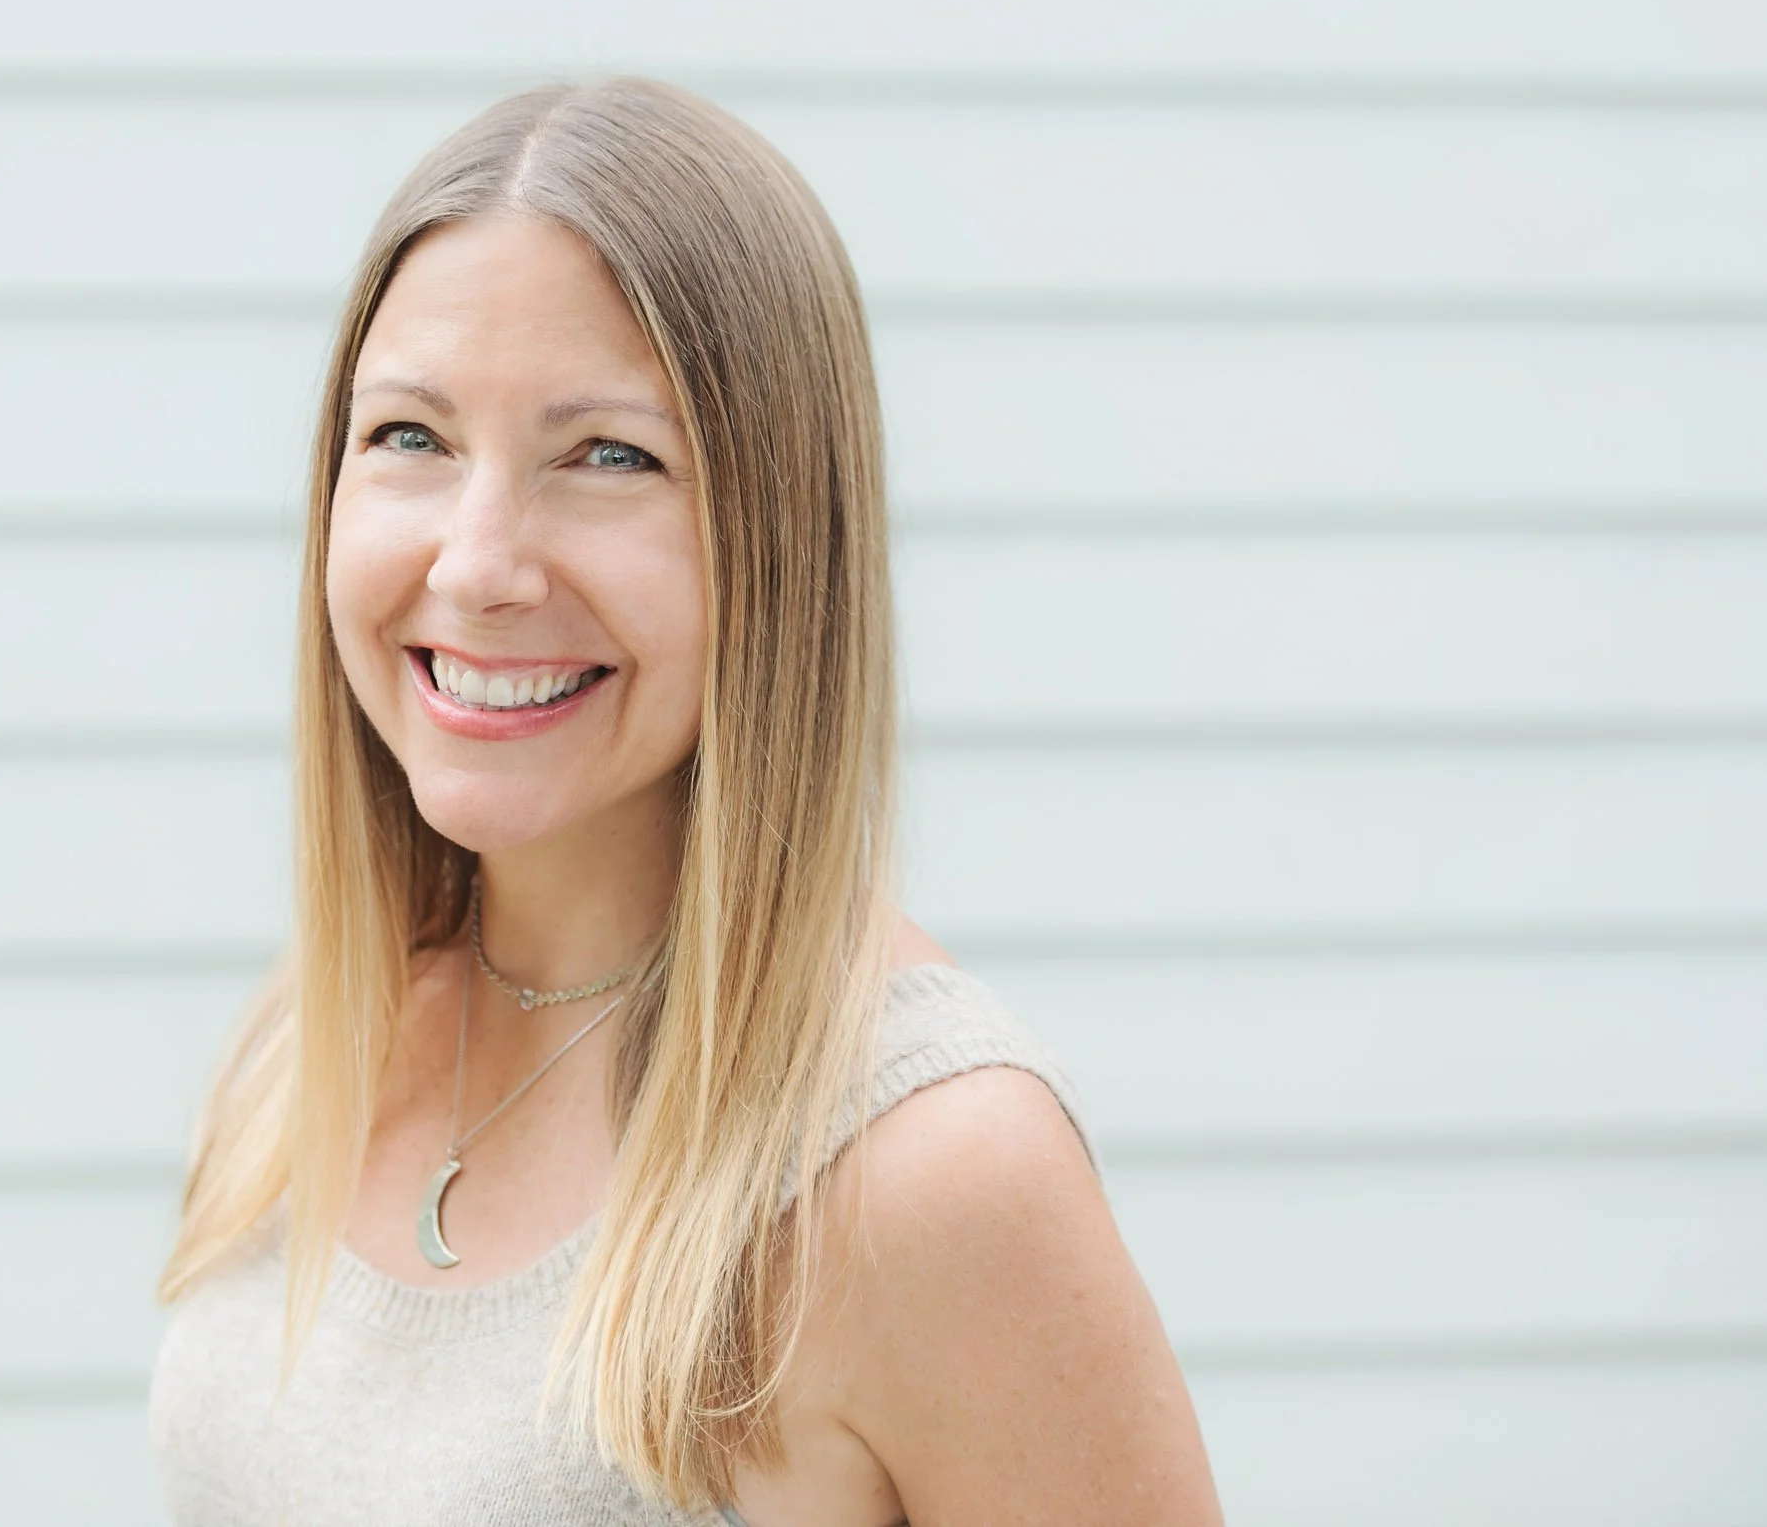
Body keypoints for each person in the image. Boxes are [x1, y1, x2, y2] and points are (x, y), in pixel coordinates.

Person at [147, 77, 1222, 1525]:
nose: (477, 565)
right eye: (411, 436)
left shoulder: (926, 1169)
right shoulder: (314, 1041)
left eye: (610, 457)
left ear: (780, 538)